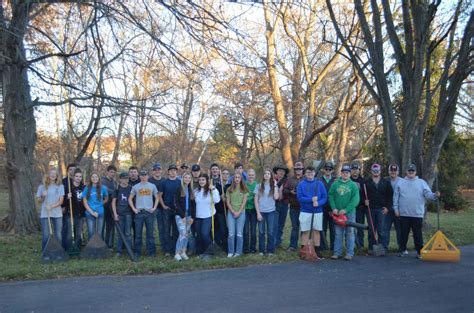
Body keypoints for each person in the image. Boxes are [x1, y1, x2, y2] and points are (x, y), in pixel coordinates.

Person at [393, 164, 440, 258]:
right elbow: (395, 197)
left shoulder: (421, 182)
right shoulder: (400, 183)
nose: (411, 172)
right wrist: (396, 209)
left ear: (415, 172)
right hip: (404, 213)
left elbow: (428, 194)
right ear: (406, 172)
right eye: (409, 171)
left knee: (417, 234)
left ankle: (419, 252)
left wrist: (435, 195)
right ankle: (402, 250)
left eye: (412, 171)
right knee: (403, 234)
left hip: (417, 214)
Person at [329, 165, 360, 260]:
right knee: (338, 233)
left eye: (347, 172)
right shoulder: (335, 184)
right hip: (337, 213)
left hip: (349, 213)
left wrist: (346, 209)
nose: (345, 174)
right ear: (341, 173)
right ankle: (337, 253)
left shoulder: (353, 185)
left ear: (350, 174)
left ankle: (349, 253)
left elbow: (356, 200)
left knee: (350, 232)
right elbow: (331, 196)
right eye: (343, 172)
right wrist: (333, 207)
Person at [297, 166, 327, 259]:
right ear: (305, 174)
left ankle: (317, 251)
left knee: (316, 231)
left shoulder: (319, 184)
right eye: (308, 172)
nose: (310, 174)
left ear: (314, 173)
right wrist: (311, 199)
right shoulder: (301, 184)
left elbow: (324, 197)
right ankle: (304, 251)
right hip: (305, 211)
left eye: (312, 172)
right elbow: (300, 198)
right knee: (305, 231)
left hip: (317, 211)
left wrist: (318, 203)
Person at [363, 163, 393, 255]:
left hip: (381, 209)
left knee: (381, 230)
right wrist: (365, 201)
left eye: (377, 171)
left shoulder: (386, 182)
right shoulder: (366, 183)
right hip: (370, 209)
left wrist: (387, 207)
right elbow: (362, 195)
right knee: (372, 229)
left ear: (380, 171)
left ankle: (382, 248)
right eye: (374, 171)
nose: (376, 172)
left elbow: (390, 196)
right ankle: (371, 248)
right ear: (371, 171)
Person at [129, 169, 159, 257]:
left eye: (145, 175)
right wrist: (134, 209)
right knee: (138, 234)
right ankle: (137, 252)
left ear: (148, 176)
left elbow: (157, 197)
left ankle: (151, 252)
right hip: (139, 213)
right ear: (140, 176)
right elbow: (130, 198)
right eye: (142, 175)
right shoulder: (135, 187)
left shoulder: (152, 186)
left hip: (149, 213)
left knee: (150, 234)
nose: (143, 177)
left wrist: (154, 208)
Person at [37, 169, 65, 252]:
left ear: (57, 176)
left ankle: (58, 251)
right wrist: (42, 196)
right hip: (45, 214)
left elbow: (61, 201)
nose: (53, 175)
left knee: (58, 234)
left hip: (57, 214)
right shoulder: (42, 187)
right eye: (51, 173)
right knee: (46, 235)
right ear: (48, 175)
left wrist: (52, 206)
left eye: (55, 174)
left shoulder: (60, 186)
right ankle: (45, 252)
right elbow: (38, 200)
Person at [194, 174, 220, 255]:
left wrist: (214, 189)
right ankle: (201, 252)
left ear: (207, 181)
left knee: (205, 234)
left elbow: (217, 200)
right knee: (199, 235)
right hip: (198, 216)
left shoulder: (212, 190)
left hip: (208, 216)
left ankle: (210, 251)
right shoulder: (196, 191)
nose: (201, 181)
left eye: (203, 180)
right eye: (200, 180)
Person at [254, 169, 279, 255]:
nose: (267, 175)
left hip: (271, 212)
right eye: (265, 173)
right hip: (261, 212)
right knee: (261, 232)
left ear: (271, 176)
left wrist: (275, 186)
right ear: (263, 176)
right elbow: (256, 201)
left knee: (270, 232)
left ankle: (270, 250)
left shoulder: (274, 186)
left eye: (268, 173)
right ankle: (261, 250)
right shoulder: (258, 186)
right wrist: (258, 213)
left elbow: (276, 198)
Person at [159, 164, 181, 256]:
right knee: (166, 230)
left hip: (176, 209)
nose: (173, 172)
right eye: (171, 170)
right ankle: (167, 250)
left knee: (176, 230)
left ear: (177, 172)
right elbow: (159, 195)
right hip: (167, 209)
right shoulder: (164, 182)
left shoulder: (180, 182)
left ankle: (175, 249)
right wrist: (163, 205)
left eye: (174, 170)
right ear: (168, 172)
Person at [174, 172, 196, 261]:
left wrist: (192, 217)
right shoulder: (178, 189)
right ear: (182, 179)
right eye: (185, 178)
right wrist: (182, 215)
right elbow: (176, 203)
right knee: (182, 233)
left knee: (186, 234)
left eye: (189, 178)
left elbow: (194, 205)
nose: (187, 179)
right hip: (180, 215)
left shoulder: (191, 190)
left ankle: (183, 252)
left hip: (189, 215)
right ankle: (177, 253)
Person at [226, 173, 248, 257]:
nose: (237, 179)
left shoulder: (244, 189)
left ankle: (238, 252)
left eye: (239, 177)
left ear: (241, 179)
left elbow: (244, 202)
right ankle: (231, 252)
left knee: (239, 233)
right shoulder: (229, 189)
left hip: (241, 213)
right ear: (233, 179)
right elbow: (228, 202)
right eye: (235, 177)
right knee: (231, 233)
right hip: (231, 213)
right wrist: (233, 211)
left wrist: (238, 212)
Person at [283, 161, 304, 251]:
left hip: (304, 208)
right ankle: (292, 246)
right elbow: (285, 190)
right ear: (294, 170)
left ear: (302, 169)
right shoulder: (290, 179)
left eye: (300, 169)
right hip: (293, 207)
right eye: (296, 169)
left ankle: (304, 246)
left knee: (304, 227)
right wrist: (290, 192)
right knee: (295, 227)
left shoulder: (306, 179)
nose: (298, 170)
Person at [112, 172, 133, 257]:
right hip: (119, 213)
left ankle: (129, 250)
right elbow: (113, 202)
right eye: (124, 178)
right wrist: (115, 214)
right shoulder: (117, 189)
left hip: (128, 213)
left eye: (127, 178)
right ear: (120, 179)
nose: (125, 180)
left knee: (128, 233)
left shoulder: (131, 188)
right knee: (120, 233)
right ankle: (119, 251)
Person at [83, 172, 108, 240]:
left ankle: (99, 247)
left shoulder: (103, 188)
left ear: (99, 178)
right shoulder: (87, 188)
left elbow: (106, 199)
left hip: (100, 213)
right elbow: (85, 202)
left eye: (96, 177)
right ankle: (91, 248)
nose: (94, 178)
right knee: (91, 232)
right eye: (93, 177)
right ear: (90, 179)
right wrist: (92, 212)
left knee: (99, 232)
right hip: (89, 213)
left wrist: (99, 205)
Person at [64, 168, 85, 251]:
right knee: (69, 233)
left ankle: (77, 249)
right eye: (76, 176)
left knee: (79, 233)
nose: (78, 178)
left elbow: (86, 201)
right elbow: (63, 202)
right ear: (73, 177)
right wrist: (67, 197)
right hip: (70, 213)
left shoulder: (84, 187)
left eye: (80, 176)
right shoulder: (68, 187)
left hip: (80, 213)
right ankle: (69, 249)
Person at [383, 164, 402, 251]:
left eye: (395, 170)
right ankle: (384, 247)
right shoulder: (384, 180)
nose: (393, 172)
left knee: (400, 230)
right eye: (391, 170)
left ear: (398, 172)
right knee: (385, 229)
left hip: (398, 210)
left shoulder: (402, 182)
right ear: (389, 171)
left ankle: (401, 247)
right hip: (387, 209)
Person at [210, 163, 227, 250]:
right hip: (211, 209)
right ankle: (214, 244)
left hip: (221, 209)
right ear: (211, 171)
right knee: (213, 228)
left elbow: (227, 191)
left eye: (216, 169)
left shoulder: (222, 180)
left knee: (222, 228)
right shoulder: (208, 180)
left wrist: (224, 196)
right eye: (213, 169)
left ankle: (223, 245)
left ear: (218, 170)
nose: (215, 170)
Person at [149, 163, 165, 254]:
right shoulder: (149, 181)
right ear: (153, 171)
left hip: (161, 208)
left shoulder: (164, 180)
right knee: (152, 230)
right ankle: (152, 250)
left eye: (159, 169)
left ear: (161, 170)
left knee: (162, 229)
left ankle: (163, 248)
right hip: (152, 208)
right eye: (155, 170)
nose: (157, 171)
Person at [320, 161, 336, 252]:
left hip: (332, 209)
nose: (328, 171)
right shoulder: (319, 180)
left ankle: (333, 247)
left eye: (329, 169)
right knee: (322, 228)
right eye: (326, 169)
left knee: (333, 229)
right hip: (322, 208)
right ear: (323, 170)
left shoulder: (335, 180)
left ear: (332, 170)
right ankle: (323, 247)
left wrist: (332, 208)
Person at [350, 162, 366, 249]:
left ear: (359, 170)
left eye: (356, 169)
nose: (355, 171)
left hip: (360, 208)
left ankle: (360, 245)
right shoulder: (347, 180)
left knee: (360, 228)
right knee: (350, 228)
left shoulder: (363, 181)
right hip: (350, 208)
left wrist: (365, 202)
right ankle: (350, 246)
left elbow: (365, 195)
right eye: (353, 169)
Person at [273, 164, 289, 248]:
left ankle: (278, 241)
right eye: (279, 171)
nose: (281, 172)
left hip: (284, 204)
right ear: (276, 172)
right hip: (274, 204)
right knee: (275, 224)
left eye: (283, 171)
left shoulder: (287, 181)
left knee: (281, 224)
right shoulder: (273, 180)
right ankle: (274, 242)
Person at [102, 165, 117, 248]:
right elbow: (105, 190)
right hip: (103, 206)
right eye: (111, 172)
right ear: (107, 172)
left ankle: (109, 244)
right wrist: (115, 192)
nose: (112, 174)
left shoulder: (114, 182)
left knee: (110, 226)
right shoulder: (103, 180)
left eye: (114, 172)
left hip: (111, 207)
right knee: (102, 227)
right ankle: (101, 244)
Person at [61, 163, 76, 249]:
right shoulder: (64, 182)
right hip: (66, 208)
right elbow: (60, 196)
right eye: (71, 169)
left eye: (74, 169)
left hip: (76, 209)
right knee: (66, 228)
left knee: (75, 228)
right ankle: (64, 246)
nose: (72, 171)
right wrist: (62, 206)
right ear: (67, 171)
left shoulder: (78, 180)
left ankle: (75, 245)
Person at [243, 168, 258, 254]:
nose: (251, 177)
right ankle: (245, 248)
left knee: (253, 230)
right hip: (245, 210)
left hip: (254, 210)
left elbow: (256, 197)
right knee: (246, 230)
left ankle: (253, 248)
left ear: (254, 176)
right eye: (249, 175)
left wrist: (249, 196)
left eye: (252, 175)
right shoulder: (244, 184)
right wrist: (251, 196)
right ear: (247, 176)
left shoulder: (257, 185)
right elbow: (243, 196)